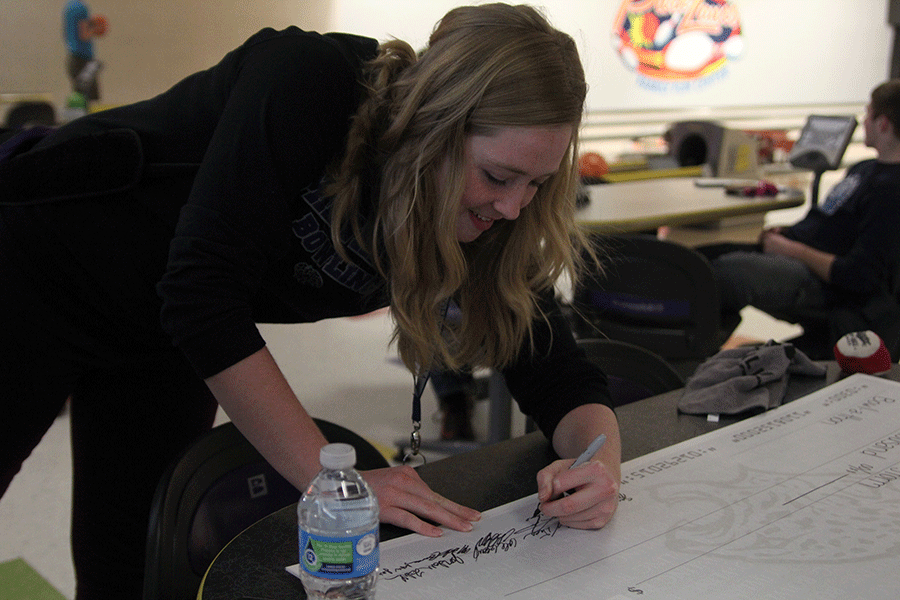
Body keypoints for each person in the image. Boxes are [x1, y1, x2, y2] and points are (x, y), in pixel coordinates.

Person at [0, 4, 621, 598]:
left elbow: (553, 368)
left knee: (131, 569)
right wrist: (340, 485)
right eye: (498, 177)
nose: (513, 207)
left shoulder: (491, 214)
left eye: (535, 184)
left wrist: (600, 465)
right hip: (35, 262)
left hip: (156, 327)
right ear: (431, 130)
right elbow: (202, 293)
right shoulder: (308, 82)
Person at [697, 79, 900, 359]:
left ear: (883, 124)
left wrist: (787, 248)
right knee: (698, 257)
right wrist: (789, 233)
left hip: (822, 284)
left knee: (708, 274)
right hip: (794, 254)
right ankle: (708, 354)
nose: (864, 122)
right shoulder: (865, 169)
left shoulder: (891, 189)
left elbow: (858, 275)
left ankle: (697, 358)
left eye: (869, 114)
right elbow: (835, 226)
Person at [63, 0, 105, 102]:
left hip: (73, 58)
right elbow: (84, 35)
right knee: (92, 99)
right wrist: (95, 27)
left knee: (79, 98)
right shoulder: (81, 8)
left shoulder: (69, 6)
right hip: (83, 59)